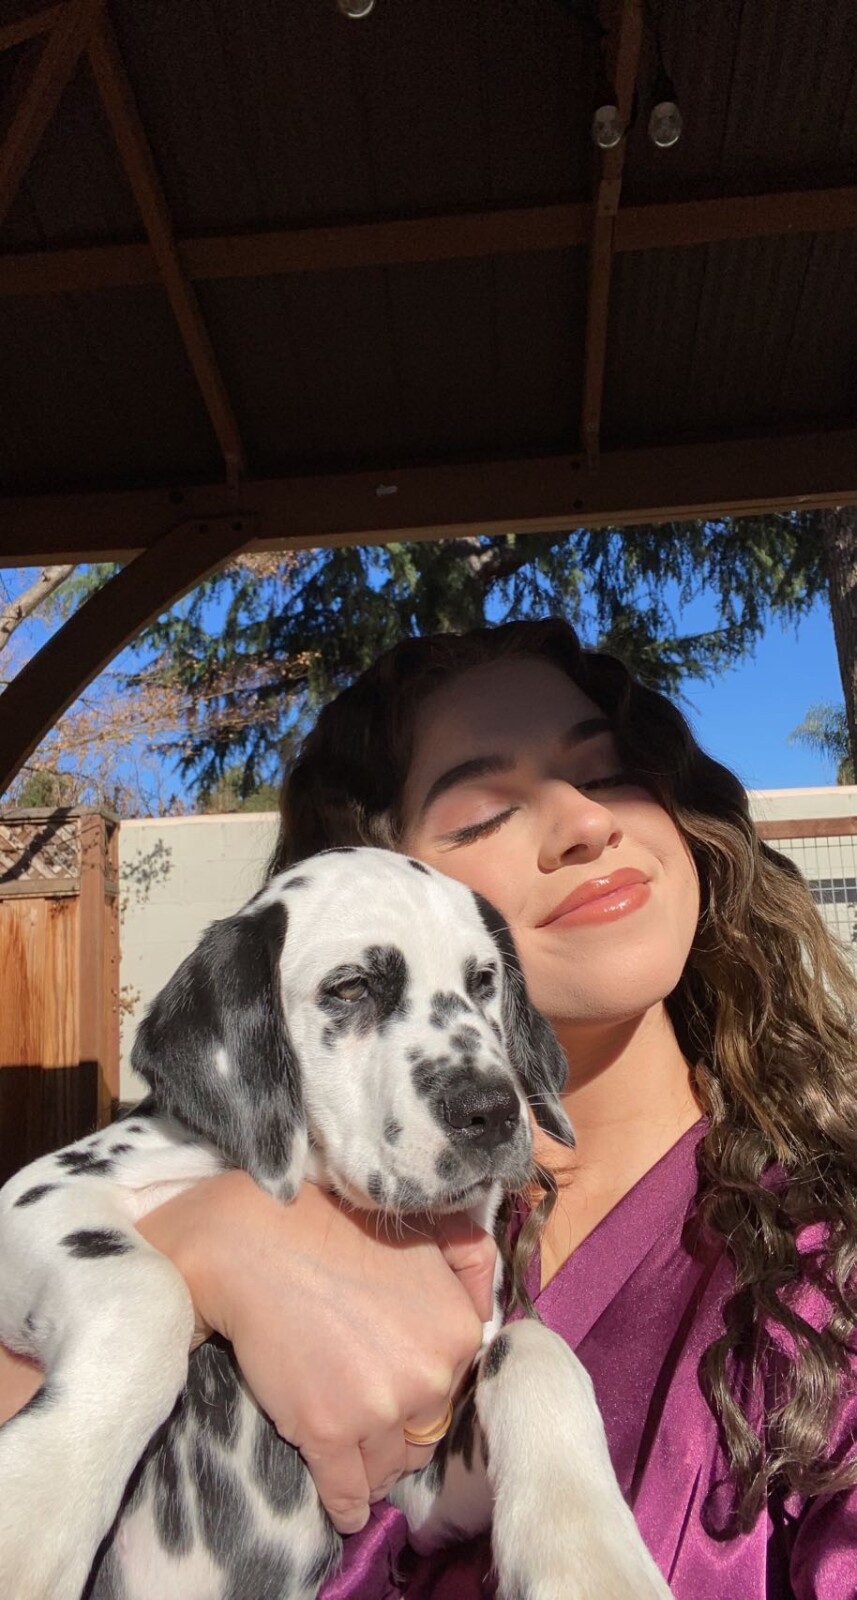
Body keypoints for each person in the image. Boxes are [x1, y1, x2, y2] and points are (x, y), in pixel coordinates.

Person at [2, 617, 856, 1598]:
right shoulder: (246, 1184)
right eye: (484, 813)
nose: (585, 820)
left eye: (612, 771)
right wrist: (196, 1258)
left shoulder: (826, 1268)